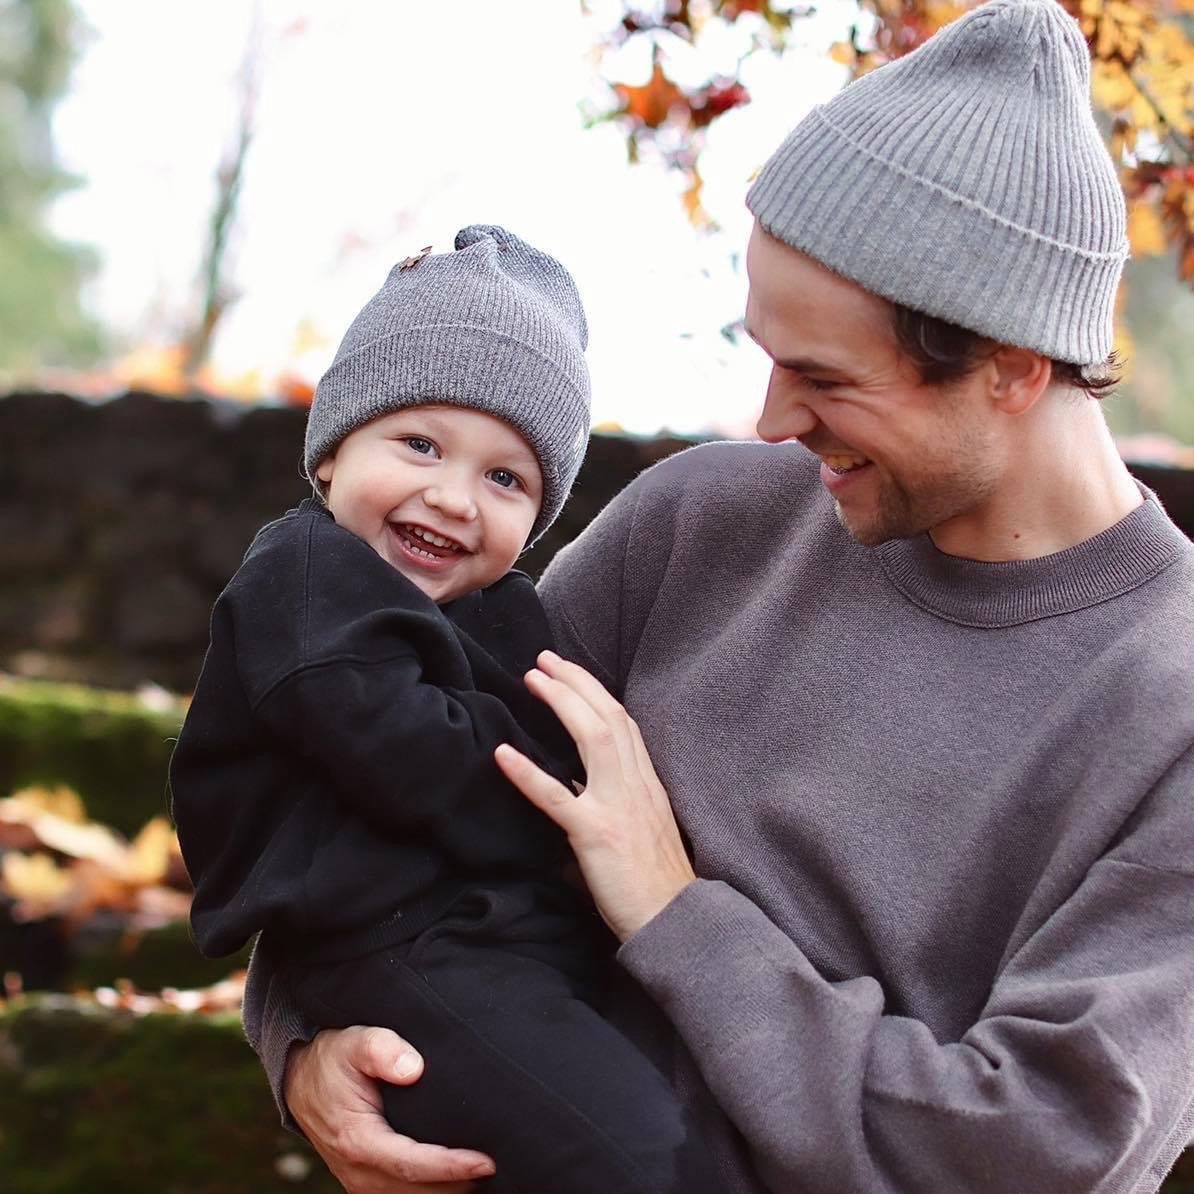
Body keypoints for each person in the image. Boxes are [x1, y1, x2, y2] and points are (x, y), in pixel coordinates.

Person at [248, 3, 1194, 1191]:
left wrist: (673, 909)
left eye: (825, 378)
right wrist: (304, 1050)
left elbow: (1031, 1151)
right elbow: (381, 786)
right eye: (767, 355)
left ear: (1014, 364)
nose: (773, 422)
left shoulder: (1171, 710)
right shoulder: (699, 524)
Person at [169, 225, 720, 1194]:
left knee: (657, 1112)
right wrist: (560, 807)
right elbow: (402, 747)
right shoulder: (304, 583)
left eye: (505, 479)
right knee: (635, 1156)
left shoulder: (492, 608)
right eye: (420, 444)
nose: (454, 497)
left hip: (487, 933)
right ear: (333, 451)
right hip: (392, 950)